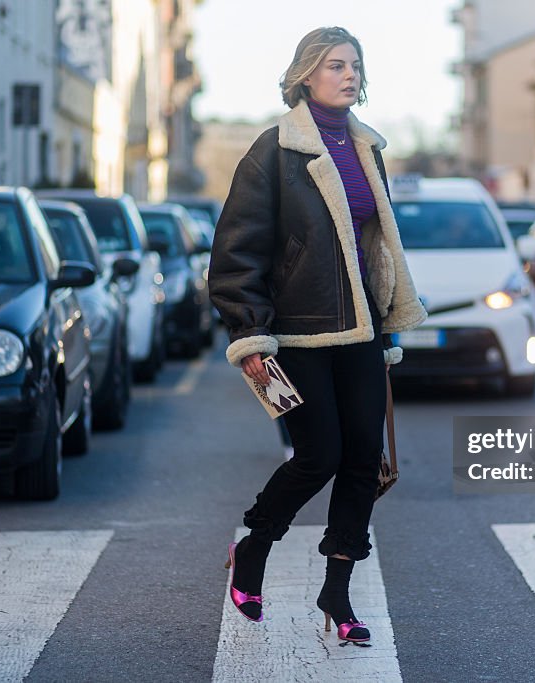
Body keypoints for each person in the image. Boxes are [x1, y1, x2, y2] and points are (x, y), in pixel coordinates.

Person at [208, 27, 427, 644]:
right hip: (297, 337)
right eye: (336, 65)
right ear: (307, 74)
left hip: (361, 331)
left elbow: (373, 248)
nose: (349, 74)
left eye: (356, 65)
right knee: (318, 456)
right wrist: (251, 337)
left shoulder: (367, 148)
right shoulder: (274, 151)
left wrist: (385, 324)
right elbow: (235, 254)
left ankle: (338, 592)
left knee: (363, 461)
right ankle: (253, 549)